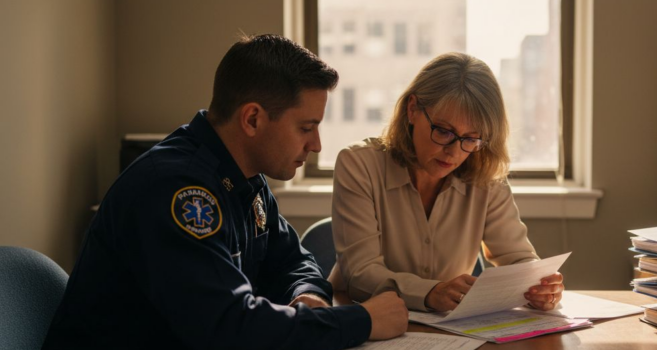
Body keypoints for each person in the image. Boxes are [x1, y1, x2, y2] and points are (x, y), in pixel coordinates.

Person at [43, 34, 407, 350]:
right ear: (252, 119)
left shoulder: (246, 177)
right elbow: (230, 329)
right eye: (306, 128)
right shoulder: (177, 191)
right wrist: (361, 321)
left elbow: (294, 261)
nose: (316, 145)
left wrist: (306, 295)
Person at [329, 52, 565, 313]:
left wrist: (539, 286)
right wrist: (429, 292)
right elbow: (360, 274)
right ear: (412, 110)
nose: (454, 152)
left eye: (471, 139)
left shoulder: (486, 176)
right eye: (443, 131)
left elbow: (517, 257)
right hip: (365, 321)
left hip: (448, 329)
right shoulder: (359, 165)